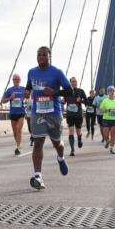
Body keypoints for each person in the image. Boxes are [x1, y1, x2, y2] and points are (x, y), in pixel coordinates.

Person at [24, 46, 71, 190]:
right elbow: (28, 87)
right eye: (39, 55)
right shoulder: (32, 72)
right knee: (38, 142)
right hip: (38, 112)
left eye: (44, 55)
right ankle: (38, 175)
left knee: (58, 144)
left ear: (49, 57)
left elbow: (69, 92)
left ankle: (61, 158)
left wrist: (55, 92)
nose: (41, 58)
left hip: (54, 113)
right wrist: (27, 92)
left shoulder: (57, 73)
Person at [0, 74, 28, 155]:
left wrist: (26, 98)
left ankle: (18, 147)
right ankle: (18, 144)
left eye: (17, 79)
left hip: (21, 112)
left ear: (20, 80)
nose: (16, 80)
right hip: (13, 113)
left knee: (19, 129)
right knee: (15, 132)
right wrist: (10, 98)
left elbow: (29, 97)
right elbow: (2, 100)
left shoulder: (24, 89)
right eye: (14, 79)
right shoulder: (9, 90)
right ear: (13, 81)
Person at [63, 77, 87, 156]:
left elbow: (87, 101)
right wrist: (62, 101)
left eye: (75, 81)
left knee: (78, 131)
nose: (74, 83)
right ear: (70, 83)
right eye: (73, 81)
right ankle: (72, 150)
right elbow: (63, 102)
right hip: (70, 115)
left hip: (78, 114)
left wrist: (81, 100)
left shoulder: (81, 91)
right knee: (71, 131)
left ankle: (79, 139)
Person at [99, 87, 115, 154]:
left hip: (114, 120)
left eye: (113, 91)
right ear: (108, 93)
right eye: (110, 91)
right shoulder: (105, 101)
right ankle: (107, 141)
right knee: (106, 135)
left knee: (113, 134)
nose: (112, 92)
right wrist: (106, 110)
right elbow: (100, 110)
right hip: (106, 119)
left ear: (114, 92)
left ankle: (111, 148)